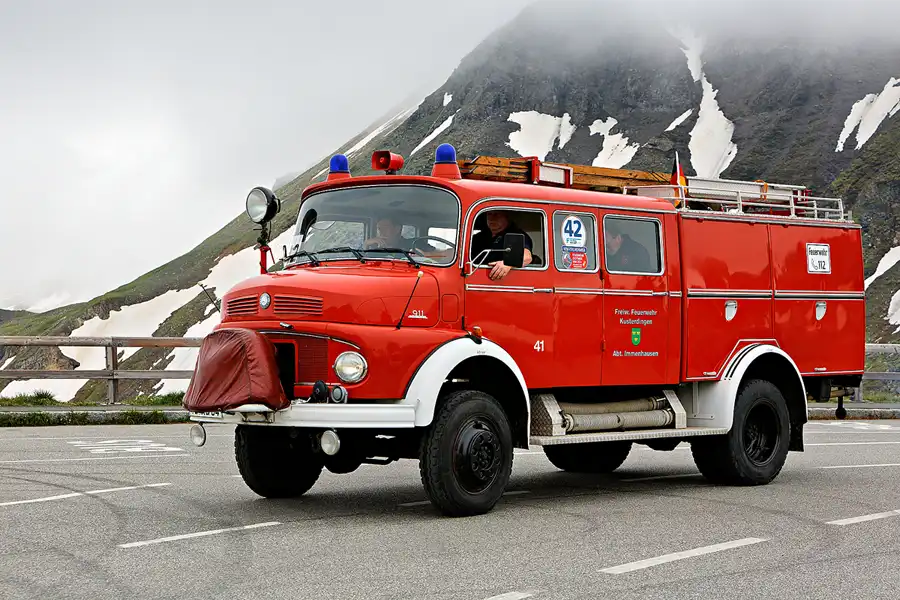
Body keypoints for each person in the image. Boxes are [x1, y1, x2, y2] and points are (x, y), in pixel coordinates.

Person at [470, 210, 533, 280]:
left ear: (507, 217)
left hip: (500, 280)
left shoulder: (516, 235)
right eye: (489, 214)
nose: (491, 218)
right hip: (474, 276)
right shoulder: (478, 237)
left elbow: (527, 257)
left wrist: (507, 264)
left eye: (497, 214)